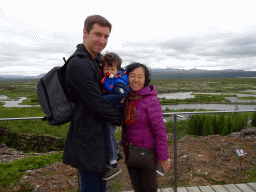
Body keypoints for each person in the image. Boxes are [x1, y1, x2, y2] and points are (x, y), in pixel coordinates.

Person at [63, 15, 124, 192]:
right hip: (87, 139)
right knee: (91, 187)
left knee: (100, 186)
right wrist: (122, 118)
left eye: (106, 36)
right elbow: (96, 103)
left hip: (98, 136)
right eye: (98, 34)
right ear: (85, 33)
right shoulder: (79, 64)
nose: (102, 40)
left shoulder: (96, 61)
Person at [122, 62, 171, 192]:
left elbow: (159, 130)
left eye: (140, 76)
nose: (136, 80)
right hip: (130, 152)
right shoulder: (125, 97)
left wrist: (163, 157)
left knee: (149, 188)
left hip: (148, 154)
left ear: (145, 79)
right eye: (132, 75)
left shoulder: (150, 100)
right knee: (137, 188)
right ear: (126, 77)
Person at [100, 52, 130, 180]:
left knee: (108, 133)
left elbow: (120, 96)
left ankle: (113, 162)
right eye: (106, 68)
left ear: (118, 69)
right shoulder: (109, 78)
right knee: (107, 133)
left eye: (112, 68)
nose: (108, 71)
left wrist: (101, 99)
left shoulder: (118, 81)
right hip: (110, 110)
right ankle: (116, 153)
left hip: (114, 112)